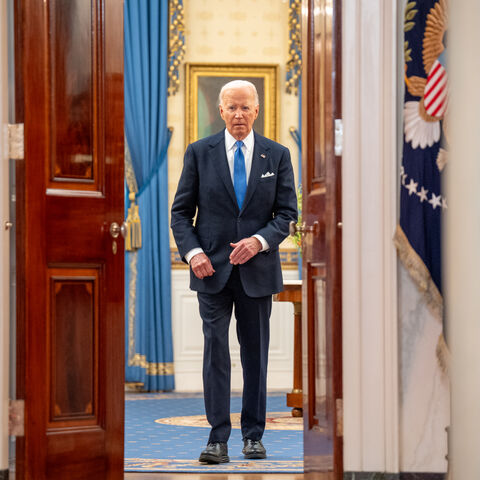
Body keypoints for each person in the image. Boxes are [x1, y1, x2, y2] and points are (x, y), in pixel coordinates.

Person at [171, 80, 297, 464]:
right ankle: (217, 439)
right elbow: (180, 213)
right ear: (221, 111)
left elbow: (287, 215)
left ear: (256, 110)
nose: (239, 114)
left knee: (255, 355)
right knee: (216, 354)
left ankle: (253, 436)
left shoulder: (277, 155)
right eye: (232, 108)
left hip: (258, 272)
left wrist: (258, 241)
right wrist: (193, 254)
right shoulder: (199, 153)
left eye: (246, 107)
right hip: (211, 272)